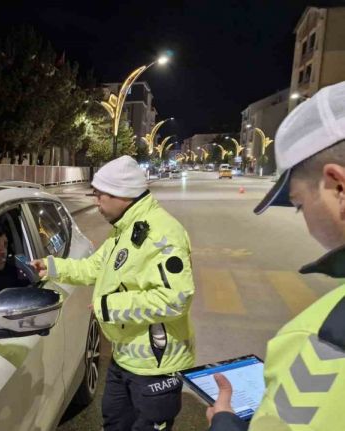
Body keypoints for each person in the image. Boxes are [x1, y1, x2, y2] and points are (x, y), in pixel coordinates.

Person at [206, 82, 345, 430]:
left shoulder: (325, 339)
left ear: (337, 186)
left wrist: (224, 421)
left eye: (299, 205)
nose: (308, 225)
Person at [31, 155, 197, 431]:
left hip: (156, 367)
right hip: (125, 357)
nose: (96, 203)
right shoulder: (124, 230)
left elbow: (176, 298)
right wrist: (50, 267)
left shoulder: (163, 234)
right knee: (114, 421)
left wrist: (108, 307)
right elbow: (94, 267)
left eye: (100, 195)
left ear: (123, 194)